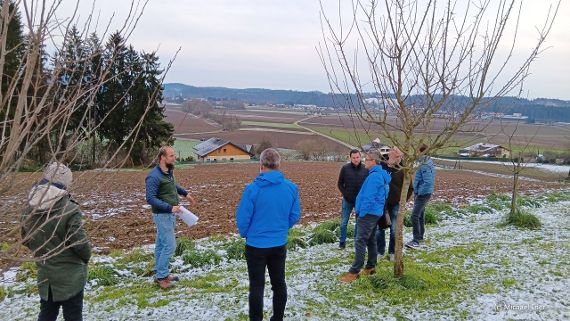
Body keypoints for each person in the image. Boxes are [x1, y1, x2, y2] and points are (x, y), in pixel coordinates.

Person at [21, 162, 92, 321]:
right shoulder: (69, 209)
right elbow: (80, 245)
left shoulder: (29, 207)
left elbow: (25, 238)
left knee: (47, 315)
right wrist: (86, 257)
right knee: (73, 316)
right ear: (66, 183)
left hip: (46, 276)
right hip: (71, 277)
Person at [236, 148, 301, 321]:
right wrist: (281, 228)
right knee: (279, 283)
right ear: (279, 165)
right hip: (279, 244)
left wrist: (246, 234)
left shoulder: (252, 189)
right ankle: (277, 318)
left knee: (256, 286)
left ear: (261, 165)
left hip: (256, 246)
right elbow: (295, 216)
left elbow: (243, 219)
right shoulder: (290, 188)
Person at [145, 146, 195, 289]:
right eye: (171, 155)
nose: (175, 158)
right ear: (163, 158)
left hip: (170, 214)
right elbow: (150, 199)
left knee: (161, 245)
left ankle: (161, 272)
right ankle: (162, 278)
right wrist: (169, 207)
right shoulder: (153, 176)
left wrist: (185, 193)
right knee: (170, 246)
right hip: (162, 215)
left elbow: (173, 185)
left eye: (174, 155)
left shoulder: (168, 172)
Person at [340, 148, 391, 283]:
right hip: (373, 213)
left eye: (366, 159)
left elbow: (368, 198)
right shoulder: (377, 174)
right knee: (370, 239)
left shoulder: (374, 177)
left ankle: (354, 271)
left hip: (368, 214)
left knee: (360, 240)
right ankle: (370, 267)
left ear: (373, 161)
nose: (364, 162)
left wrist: (361, 213)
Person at [376, 147, 413, 261]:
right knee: (379, 229)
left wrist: (402, 201)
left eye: (400, 157)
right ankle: (379, 252)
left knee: (394, 229)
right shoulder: (382, 165)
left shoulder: (403, 169)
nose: (398, 159)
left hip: (396, 203)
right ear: (390, 155)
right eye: (396, 156)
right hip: (381, 202)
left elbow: (410, 188)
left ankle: (392, 252)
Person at [336, 149, 368, 249]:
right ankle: (342, 242)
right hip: (347, 200)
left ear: (360, 157)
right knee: (343, 223)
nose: (356, 159)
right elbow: (340, 184)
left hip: (360, 201)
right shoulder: (345, 168)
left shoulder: (365, 169)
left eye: (357, 157)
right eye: (353, 158)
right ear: (350, 158)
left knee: (358, 222)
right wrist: (345, 194)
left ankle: (356, 240)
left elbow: (367, 185)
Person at [405, 144, 436, 250]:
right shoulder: (425, 162)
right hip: (423, 193)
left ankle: (416, 240)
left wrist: (419, 192)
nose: (416, 154)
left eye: (418, 151)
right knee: (420, 215)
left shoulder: (425, 164)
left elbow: (428, 182)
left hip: (423, 194)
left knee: (414, 216)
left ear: (422, 152)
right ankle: (420, 236)